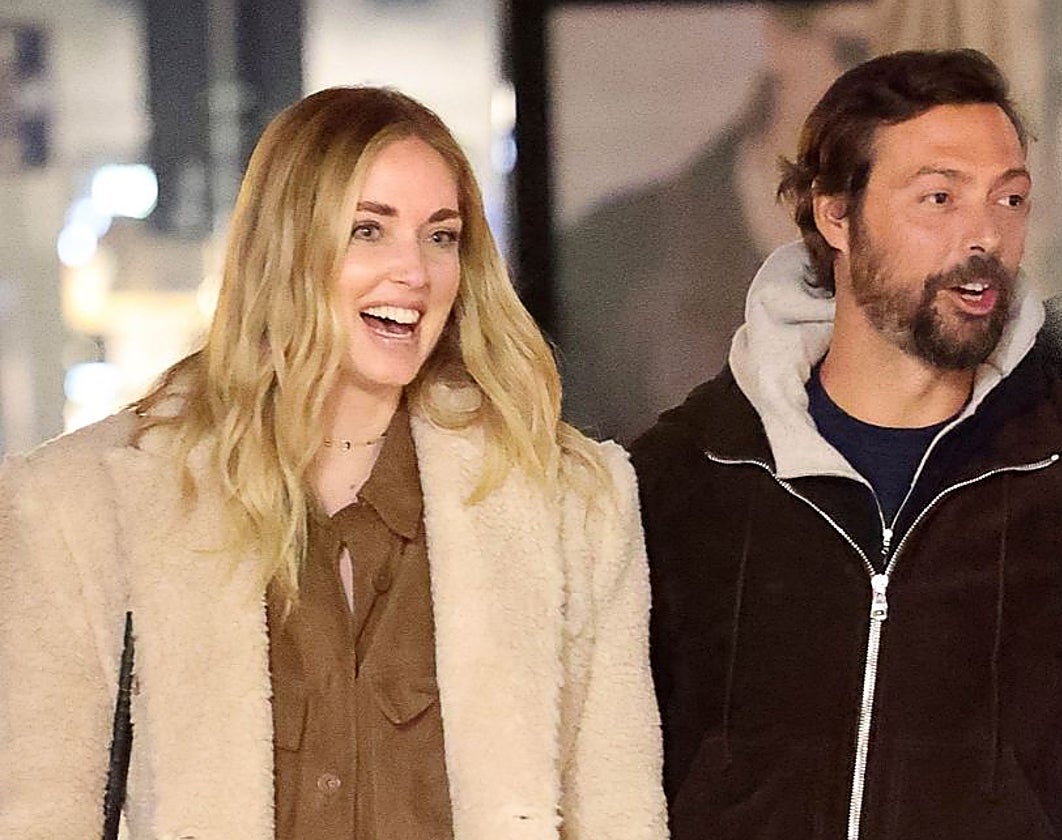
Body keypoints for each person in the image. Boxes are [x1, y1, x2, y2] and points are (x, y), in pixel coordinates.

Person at [0, 87, 667, 840]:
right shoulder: (77, 506)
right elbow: (38, 815)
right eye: (368, 230)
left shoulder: (572, 503)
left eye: (441, 236)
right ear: (286, 247)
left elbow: (619, 818)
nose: (415, 272)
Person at [632, 49, 1062, 839]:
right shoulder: (683, 476)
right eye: (940, 197)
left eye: (1010, 199)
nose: (985, 237)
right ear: (836, 215)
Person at [555, 0, 873, 444]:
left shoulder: (941, 252)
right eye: (855, 53)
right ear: (780, 37)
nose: (884, 98)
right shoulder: (613, 248)